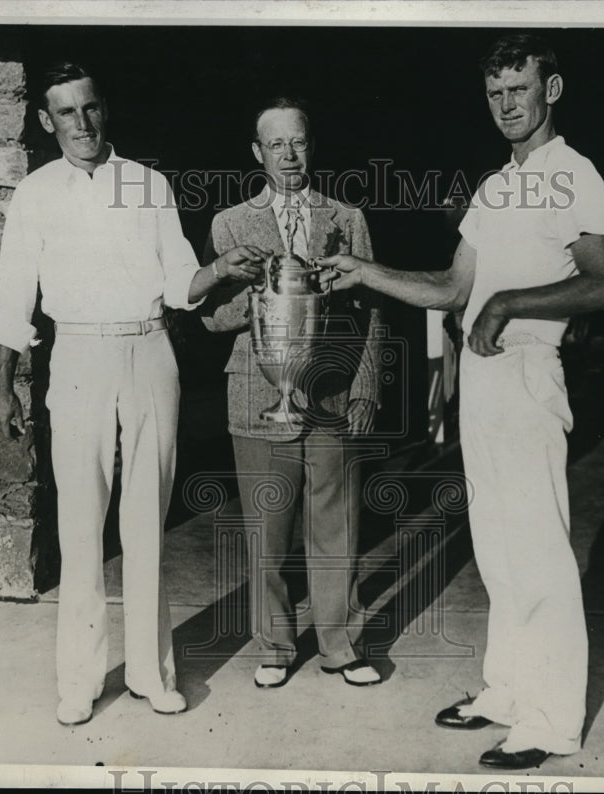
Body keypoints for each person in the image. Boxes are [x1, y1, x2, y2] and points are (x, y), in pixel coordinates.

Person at [318, 34, 604, 769]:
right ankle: (506, 692)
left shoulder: (574, 174)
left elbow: (602, 284)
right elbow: (451, 290)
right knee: (497, 550)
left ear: (551, 90)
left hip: (526, 372)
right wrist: (363, 269)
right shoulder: (492, 187)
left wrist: (508, 302)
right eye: (495, 93)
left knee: (539, 553)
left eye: (519, 89)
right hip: (481, 384)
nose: (506, 105)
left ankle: (549, 721)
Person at [0, 62, 265, 726]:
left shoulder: (149, 185)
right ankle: (80, 682)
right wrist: (1, 389)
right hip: (78, 357)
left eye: (89, 109)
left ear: (102, 110)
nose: (81, 125)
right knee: (81, 530)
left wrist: (220, 269)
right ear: (45, 121)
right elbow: (12, 301)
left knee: (145, 525)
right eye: (66, 113)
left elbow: (177, 285)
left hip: (149, 355)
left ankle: (151, 673)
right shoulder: (33, 194)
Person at [200, 98, 382, 688]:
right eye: (275, 145)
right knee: (268, 526)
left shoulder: (347, 217)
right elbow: (210, 319)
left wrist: (367, 384)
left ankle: (340, 646)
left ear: (311, 145)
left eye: (297, 142)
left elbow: (371, 309)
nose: (288, 154)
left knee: (336, 523)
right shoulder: (229, 224)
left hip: (332, 389)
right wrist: (248, 285)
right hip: (258, 391)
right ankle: (276, 646)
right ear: (257, 154)